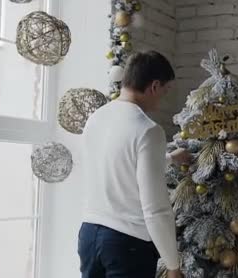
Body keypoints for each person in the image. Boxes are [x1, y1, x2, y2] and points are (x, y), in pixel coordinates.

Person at [78, 51, 188, 278]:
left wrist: (167, 159)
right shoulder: (148, 129)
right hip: (127, 244)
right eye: (165, 91)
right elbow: (155, 208)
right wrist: (173, 264)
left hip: (89, 236)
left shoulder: (96, 118)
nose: (162, 99)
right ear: (154, 86)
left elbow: (114, 164)